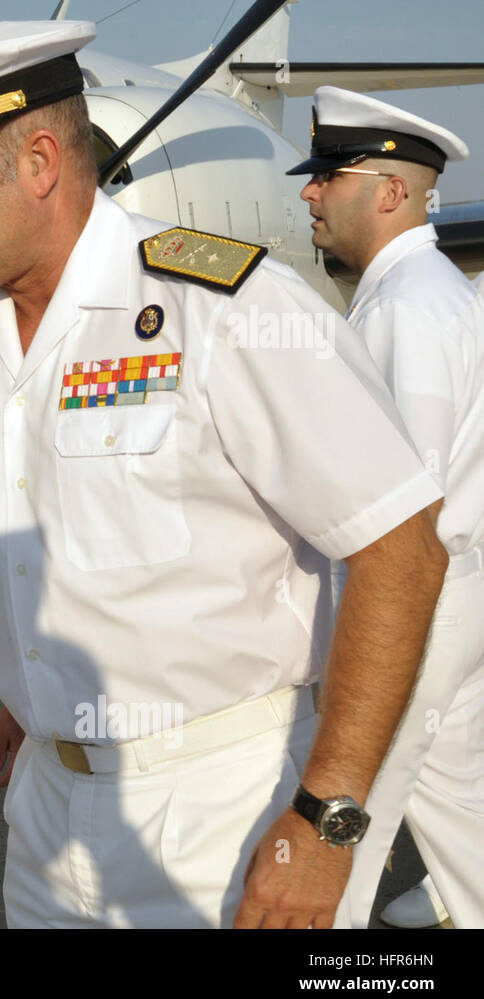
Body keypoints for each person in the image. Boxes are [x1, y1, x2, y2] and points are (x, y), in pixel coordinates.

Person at [0, 20, 448, 928]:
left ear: (39, 161)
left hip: (224, 810)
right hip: (43, 811)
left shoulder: (223, 309)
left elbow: (400, 546)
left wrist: (326, 820)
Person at [289, 87, 484, 929]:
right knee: (459, 818)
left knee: (338, 833)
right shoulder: (418, 291)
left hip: (417, 612)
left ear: (392, 192)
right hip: (449, 605)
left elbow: (403, 506)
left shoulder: (408, 306)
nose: (309, 191)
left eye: (330, 173)